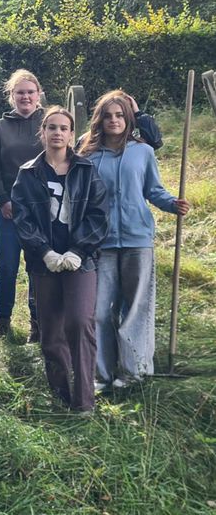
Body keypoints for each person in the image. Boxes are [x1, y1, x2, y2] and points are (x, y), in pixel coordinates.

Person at [78, 91, 190, 390]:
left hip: (137, 239)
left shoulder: (143, 152)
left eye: (120, 115)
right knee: (99, 311)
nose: (114, 120)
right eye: (108, 115)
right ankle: (101, 373)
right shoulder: (87, 153)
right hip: (100, 241)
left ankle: (133, 371)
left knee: (135, 309)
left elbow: (154, 189)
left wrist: (171, 204)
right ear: (99, 119)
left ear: (128, 118)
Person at [11, 107, 108, 413]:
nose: (57, 133)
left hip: (81, 261)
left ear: (71, 133)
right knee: (51, 332)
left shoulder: (86, 170)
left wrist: (78, 252)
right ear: (43, 132)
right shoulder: (27, 174)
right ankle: (61, 397)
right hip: (45, 263)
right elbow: (23, 219)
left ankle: (84, 402)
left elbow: (99, 215)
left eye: (63, 128)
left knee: (80, 322)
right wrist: (44, 252)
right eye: (51, 127)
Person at [0, 69, 44, 340]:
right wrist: (3, 200)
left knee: (37, 267)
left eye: (30, 92)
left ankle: (38, 322)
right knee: (7, 268)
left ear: (38, 95)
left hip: (42, 211)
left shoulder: (49, 121)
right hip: (8, 211)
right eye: (20, 92)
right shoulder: (0, 127)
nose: (26, 97)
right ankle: (3, 322)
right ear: (12, 96)